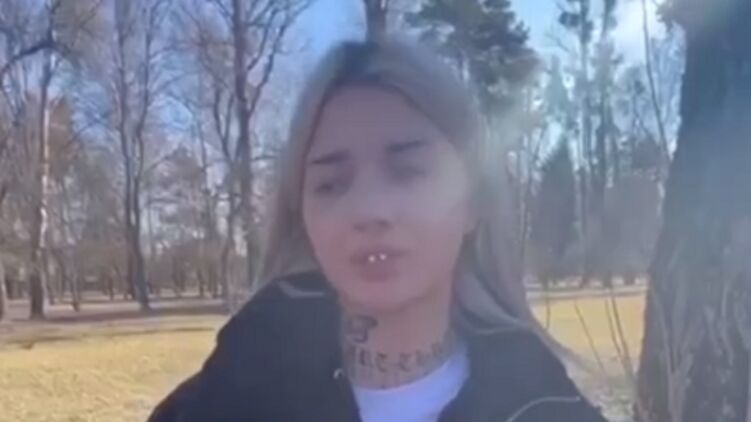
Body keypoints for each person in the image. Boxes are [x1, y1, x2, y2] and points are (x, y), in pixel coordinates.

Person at [148, 36, 608, 422]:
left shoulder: (546, 408)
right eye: (332, 184)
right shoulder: (224, 398)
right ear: (302, 216)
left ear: (473, 202)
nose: (369, 210)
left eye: (407, 172)